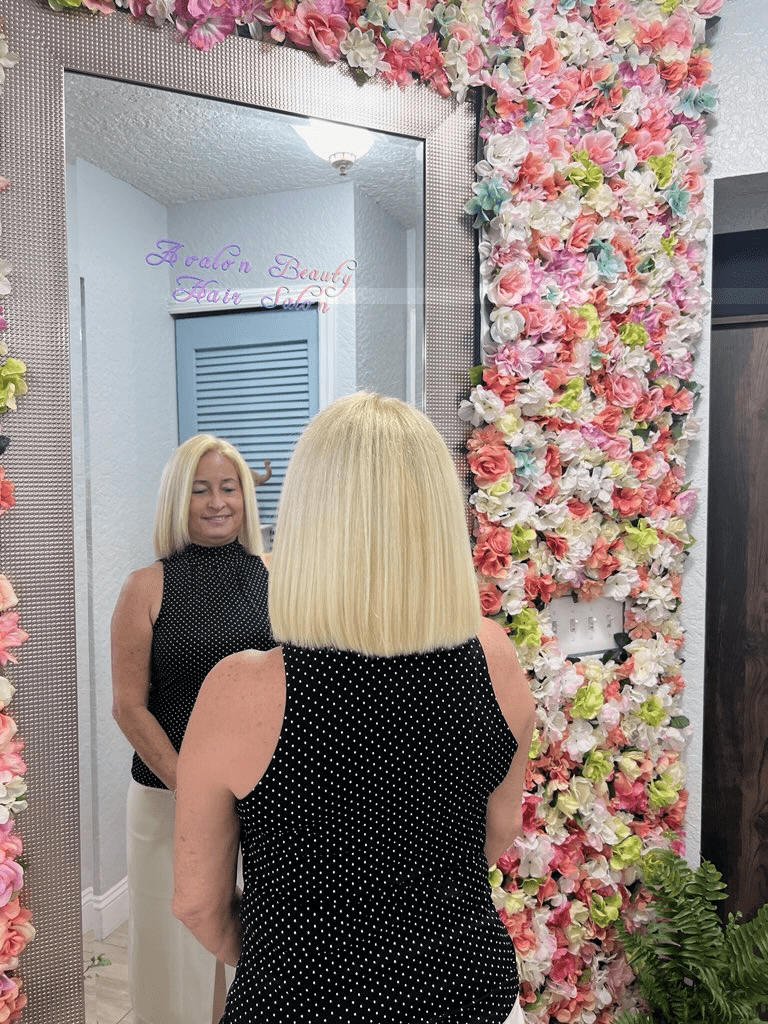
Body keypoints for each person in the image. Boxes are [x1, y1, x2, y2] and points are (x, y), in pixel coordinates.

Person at [173, 393, 536, 1024]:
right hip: (469, 993)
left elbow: (198, 905)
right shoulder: (496, 658)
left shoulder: (240, 691)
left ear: (308, 523)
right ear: (438, 520)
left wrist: (291, 958)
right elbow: (497, 833)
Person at [111, 433, 276, 1024]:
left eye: (228, 488)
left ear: (245, 498)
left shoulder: (276, 576)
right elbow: (129, 708)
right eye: (200, 490)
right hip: (165, 797)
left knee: (254, 951)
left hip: (260, 802)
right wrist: (193, 791)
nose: (217, 502)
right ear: (178, 501)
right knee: (174, 957)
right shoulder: (145, 586)